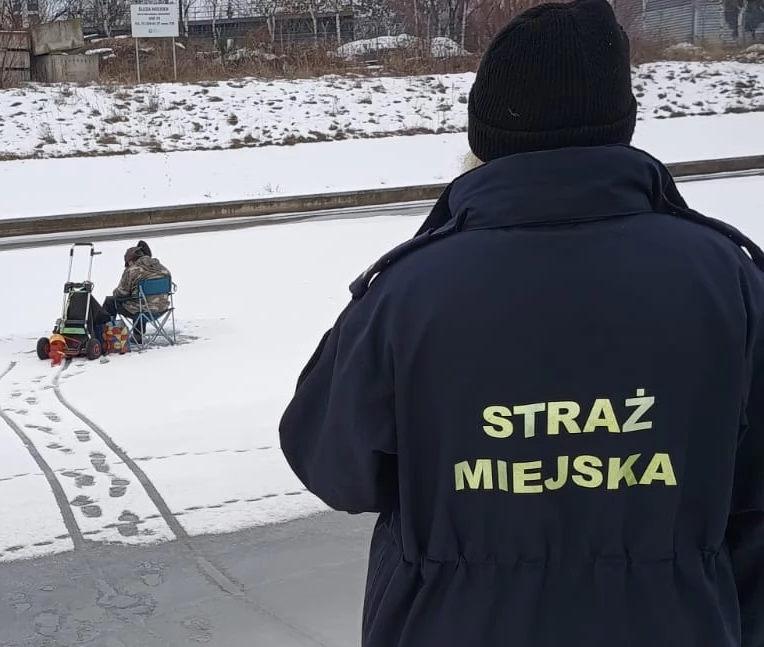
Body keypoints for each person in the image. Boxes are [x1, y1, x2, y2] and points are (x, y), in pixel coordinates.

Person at [278, 2, 764, 646]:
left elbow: (330, 466)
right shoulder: (729, 279)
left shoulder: (410, 291)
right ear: (623, 125)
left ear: (482, 136)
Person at [100, 240, 171, 342]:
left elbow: (120, 294)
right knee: (141, 302)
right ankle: (137, 336)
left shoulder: (132, 270)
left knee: (111, 301)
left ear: (130, 260)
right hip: (162, 308)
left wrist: (115, 293)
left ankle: (104, 336)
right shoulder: (162, 268)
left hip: (142, 311)